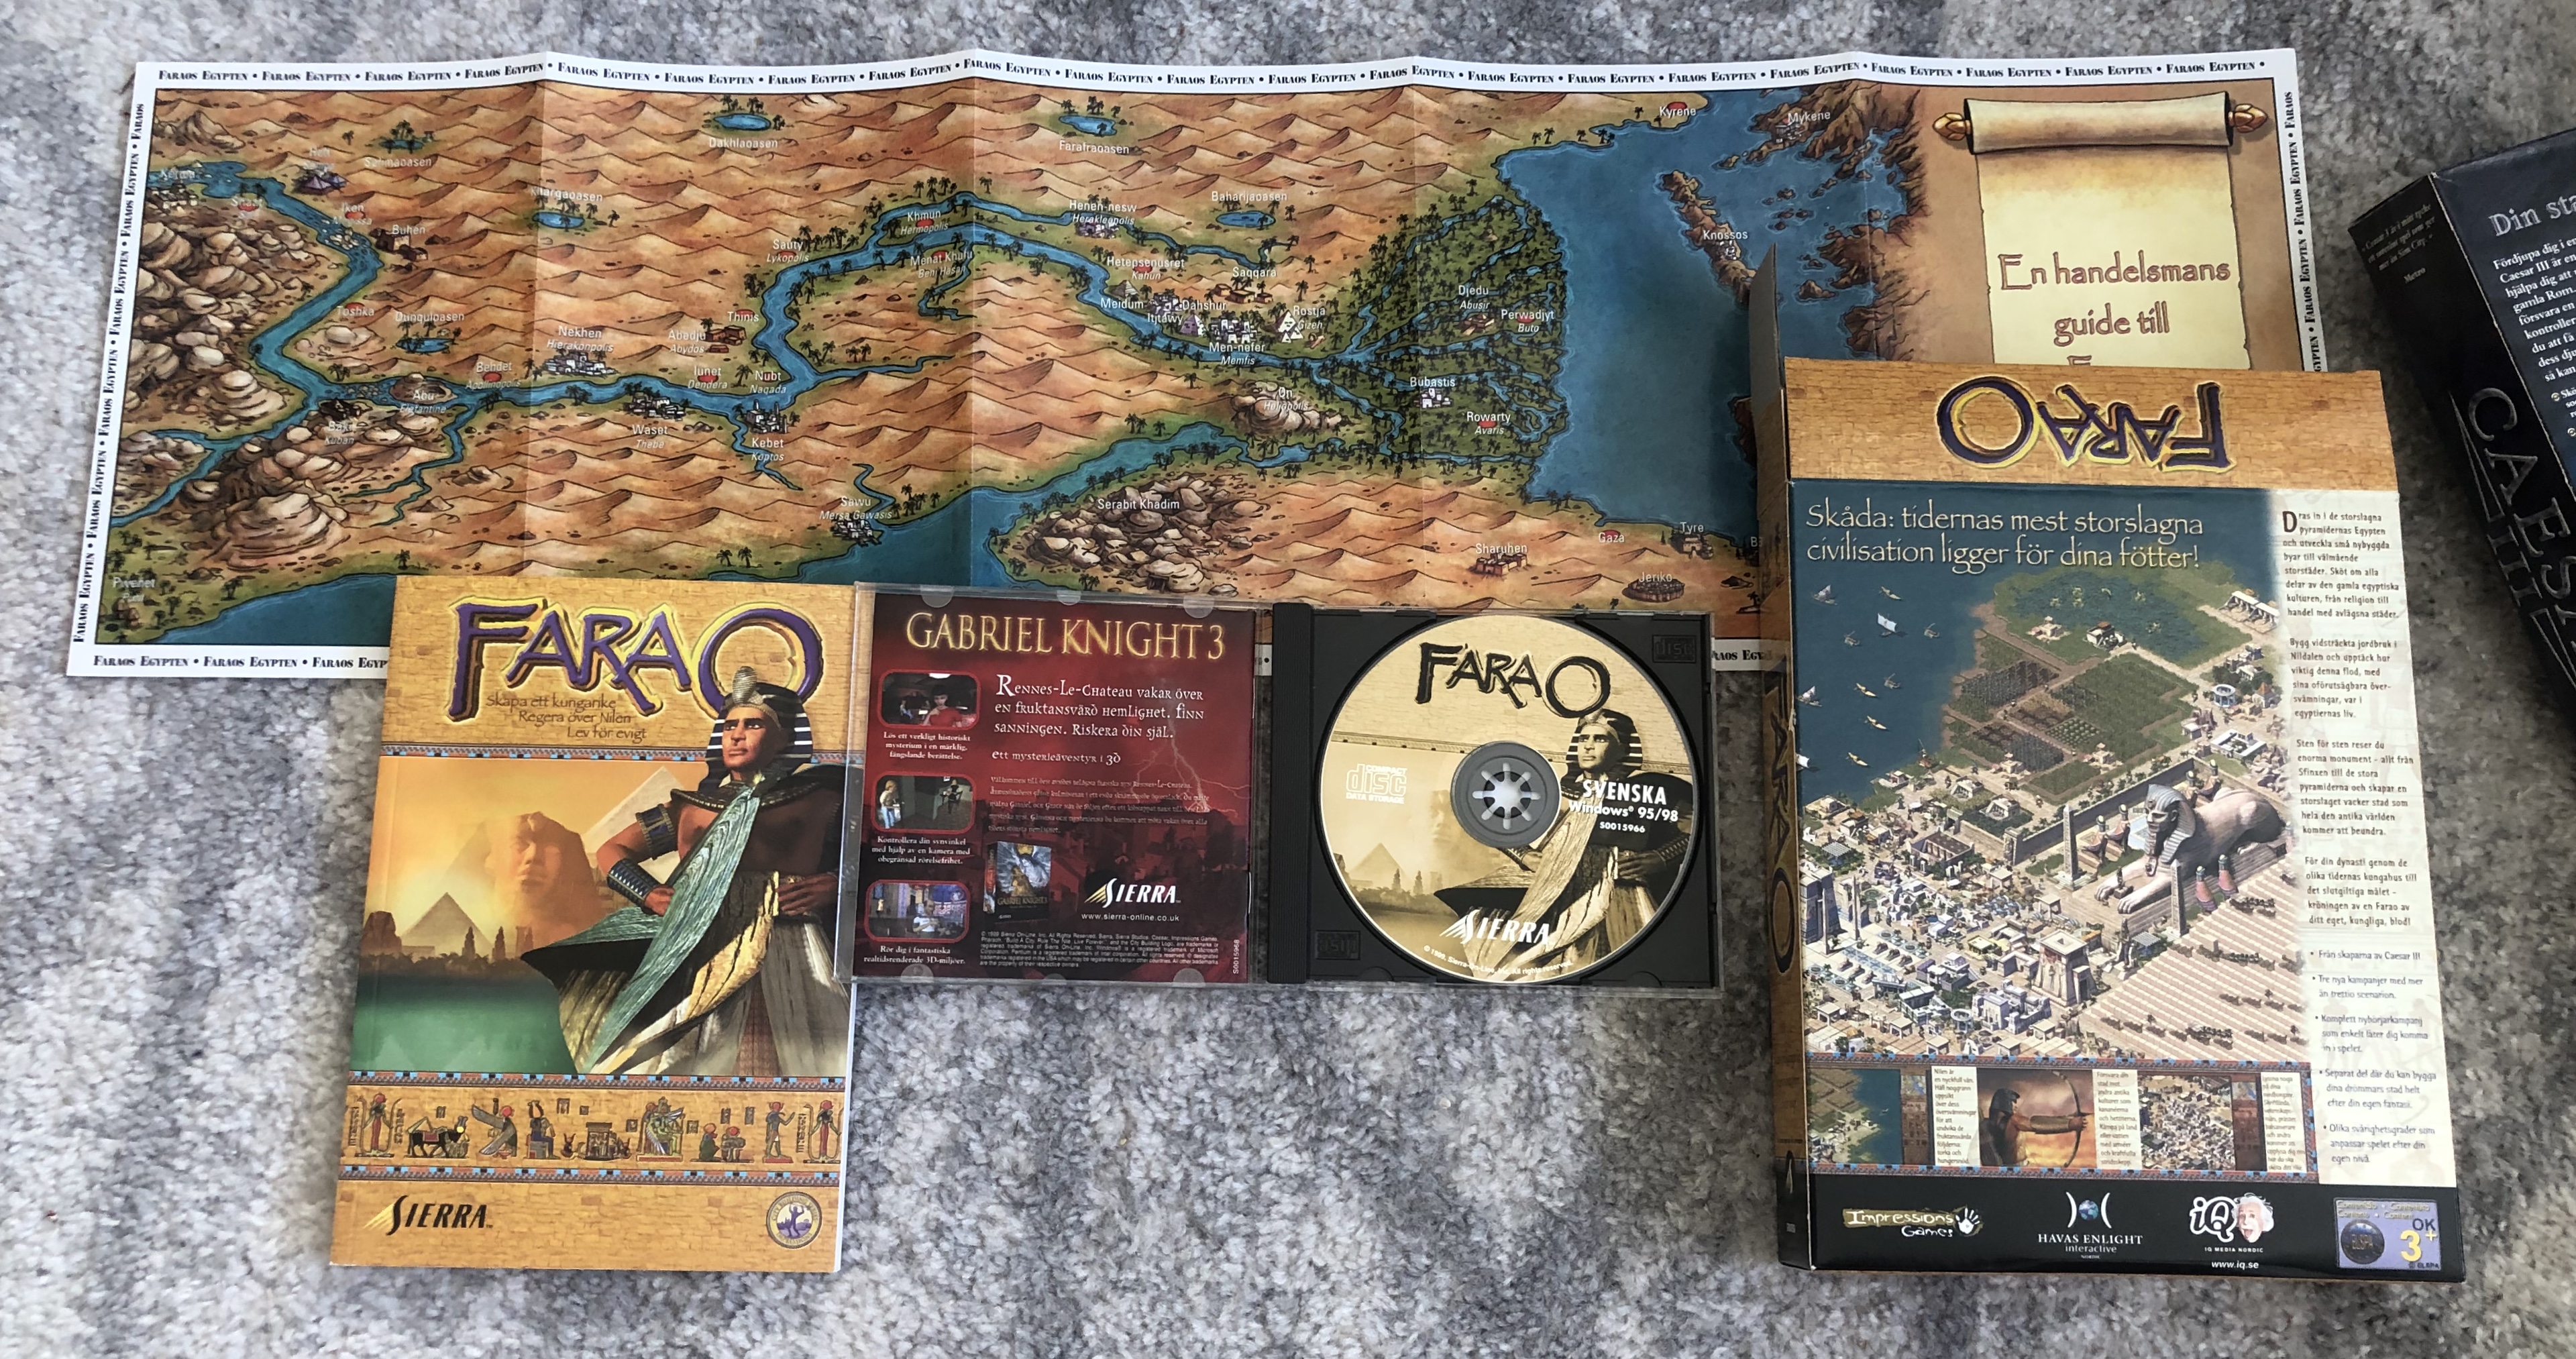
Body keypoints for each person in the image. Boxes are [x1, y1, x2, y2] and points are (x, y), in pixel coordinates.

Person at [522, 668, 847, 1079]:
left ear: (785, 738)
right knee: (685, 1054)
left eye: (753, 725)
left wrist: (839, 884)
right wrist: (649, 893)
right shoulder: (690, 808)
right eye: (729, 726)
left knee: (799, 1053)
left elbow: (879, 859)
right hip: (698, 944)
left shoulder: (823, 799)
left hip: (789, 943)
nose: (736, 736)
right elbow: (612, 851)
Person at [1466, 709, 1694, 977]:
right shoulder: (1559, 792)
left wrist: (1662, 857)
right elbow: (1494, 820)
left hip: (1621, 893)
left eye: (1600, 739)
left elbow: (1695, 824)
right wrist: (1525, 855)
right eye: (1583, 738)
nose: (1588, 746)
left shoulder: (1649, 792)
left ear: (1622, 749)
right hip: (1555, 889)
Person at [1980, 1087, 2089, 1166]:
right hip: (2018, 1168)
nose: (2016, 1106)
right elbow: (2036, 1124)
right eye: (2013, 1102)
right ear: (2004, 1103)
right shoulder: (2014, 1120)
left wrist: (2068, 1118)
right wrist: (2070, 1124)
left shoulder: (1987, 1124)